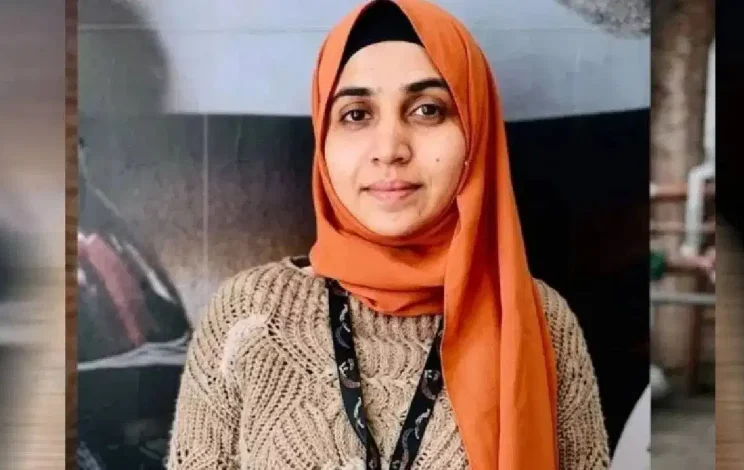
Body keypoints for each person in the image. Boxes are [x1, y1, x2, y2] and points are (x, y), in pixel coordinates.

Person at [167, 1, 609, 468]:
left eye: (427, 110)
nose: (390, 149)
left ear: (475, 131)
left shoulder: (539, 320)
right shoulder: (250, 314)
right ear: (323, 138)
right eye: (357, 114)